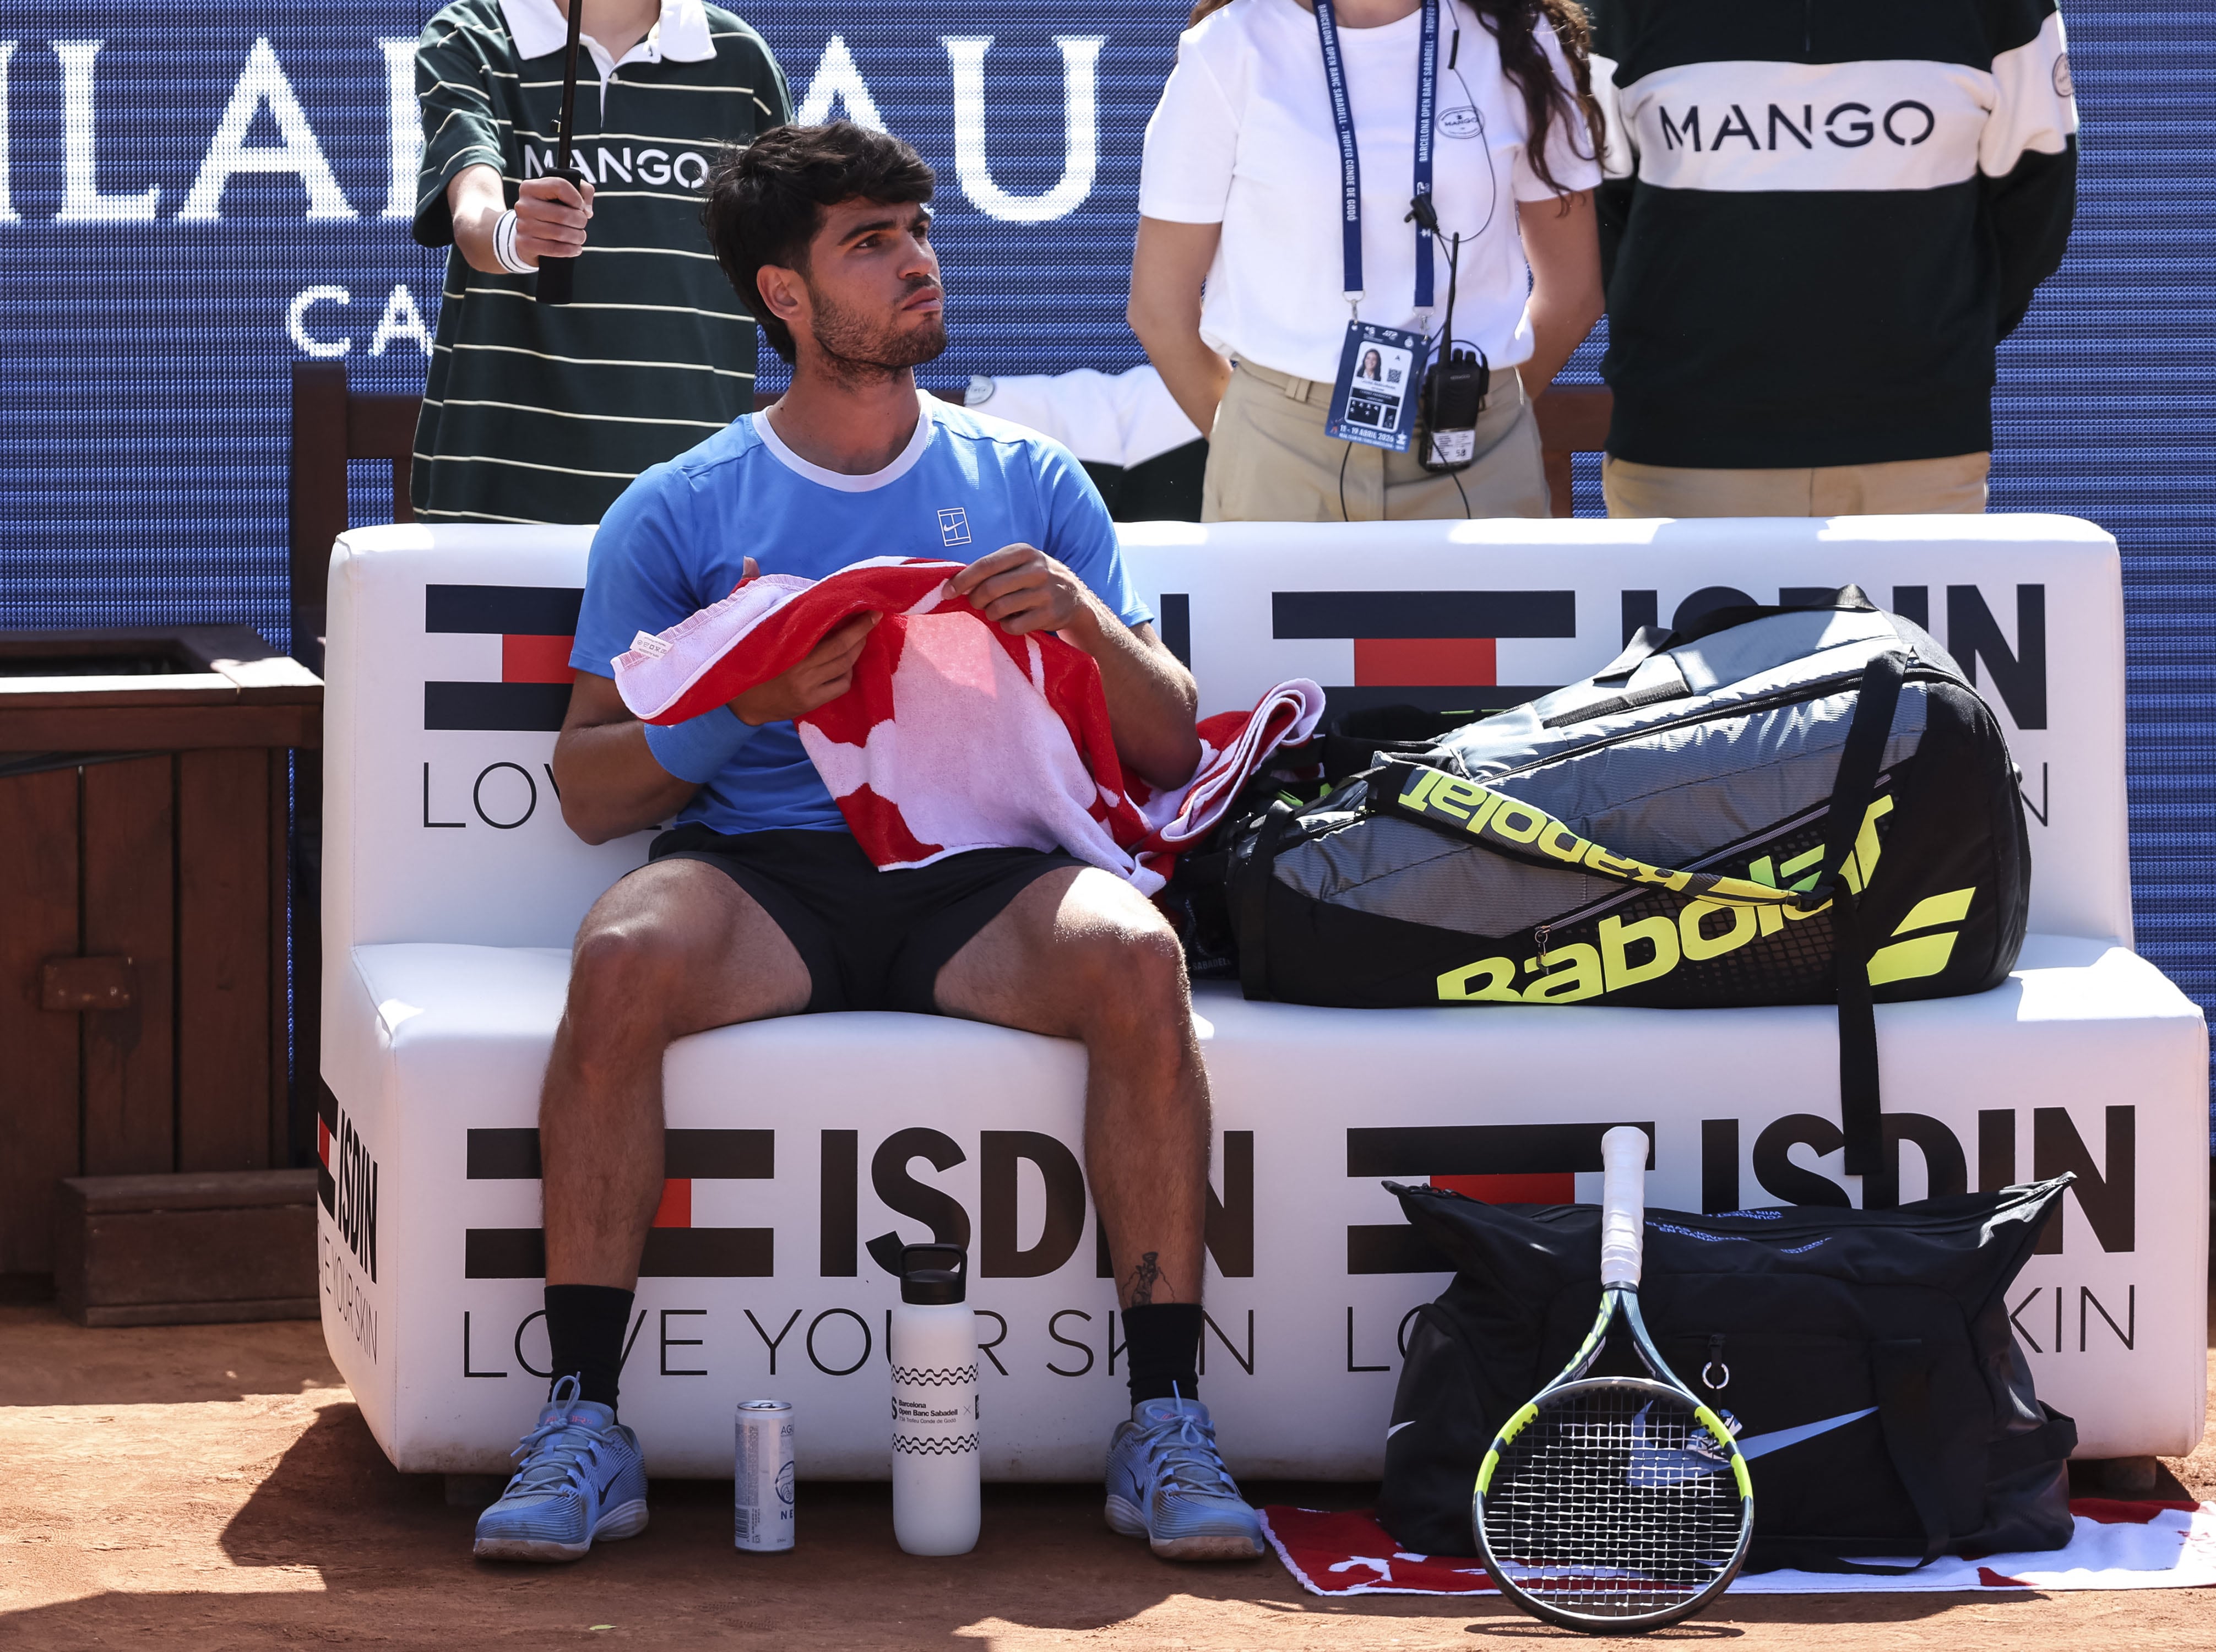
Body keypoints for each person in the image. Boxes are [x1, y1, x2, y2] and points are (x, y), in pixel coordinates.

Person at [467, 121, 1264, 1567]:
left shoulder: (1031, 480)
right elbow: (590, 789)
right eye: (870, 243)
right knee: (623, 959)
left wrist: (1081, 624)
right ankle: (582, 1419)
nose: (915, 265)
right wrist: (748, 703)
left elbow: (1166, 742)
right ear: (783, 295)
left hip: (984, 876)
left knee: (1140, 960)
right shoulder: (680, 506)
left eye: (917, 234)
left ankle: (1164, 1422)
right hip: (765, 879)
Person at [1592, 0, 2079, 518]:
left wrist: (1926, 349)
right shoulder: (1619, 10)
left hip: (1920, 455)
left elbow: (2035, 207)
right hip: (1683, 457)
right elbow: (1593, 217)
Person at [1129, 0, 1607, 522]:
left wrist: (1477, 404)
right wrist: (1260, 435)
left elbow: (1573, 291)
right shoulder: (1231, 45)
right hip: (1283, 457)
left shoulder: (1518, 37)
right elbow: (1161, 306)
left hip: (1475, 452)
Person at [409, 0, 792, 524]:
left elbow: (793, 253)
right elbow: (473, 213)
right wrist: (516, 237)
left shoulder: (741, 56)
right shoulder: (470, 34)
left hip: (695, 498)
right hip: (498, 493)